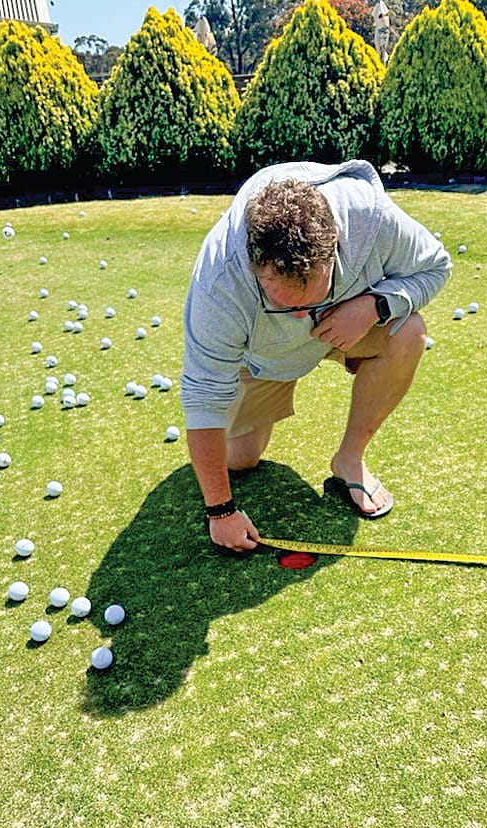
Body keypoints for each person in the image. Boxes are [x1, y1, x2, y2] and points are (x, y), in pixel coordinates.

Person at [181, 160, 452, 555]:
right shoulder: (221, 282)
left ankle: (350, 459)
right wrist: (221, 511)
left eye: (312, 295)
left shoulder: (370, 217)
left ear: (336, 243)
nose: (300, 314)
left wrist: (375, 306)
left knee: (408, 331)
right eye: (284, 302)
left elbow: (436, 267)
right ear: (256, 265)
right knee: (239, 461)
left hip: (351, 326)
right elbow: (203, 397)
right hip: (262, 357)